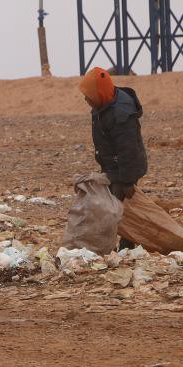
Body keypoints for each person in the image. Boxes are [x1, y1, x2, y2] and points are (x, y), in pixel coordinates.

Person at [78, 66, 148, 249]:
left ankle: (122, 246)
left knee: (116, 209)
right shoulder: (104, 102)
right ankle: (123, 245)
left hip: (125, 169)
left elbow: (128, 149)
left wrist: (127, 181)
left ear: (99, 92)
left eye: (88, 96)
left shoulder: (120, 114)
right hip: (114, 166)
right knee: (118, 209)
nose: (86, 100)